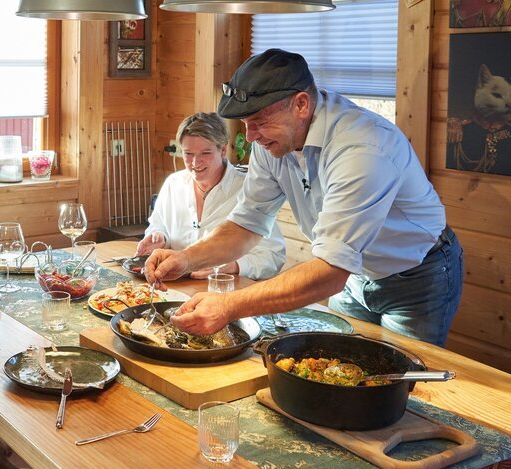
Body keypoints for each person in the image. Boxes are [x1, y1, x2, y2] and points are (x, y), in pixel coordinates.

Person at [146, 49, 463, 347]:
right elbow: (246, 225)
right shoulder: (271, 141)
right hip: (355, 273)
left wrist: (228, 306)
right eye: (245, 124)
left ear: (300, 104)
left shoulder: (362, 148)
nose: (251, 136)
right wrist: (185, 258)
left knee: (402, 380)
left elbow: (328, 272)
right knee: (337, 365)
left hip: (418, 274)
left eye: (258, 122)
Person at [136, 112, 286, 280]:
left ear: (223, 149)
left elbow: (273, 256)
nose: (195, 163)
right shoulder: (173, 183)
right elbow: (158, 226)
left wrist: (234, 266)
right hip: (173, 285)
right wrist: (159, 237)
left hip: (225, 290)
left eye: (205, 153)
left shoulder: (250, 188)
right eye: (188, 154)